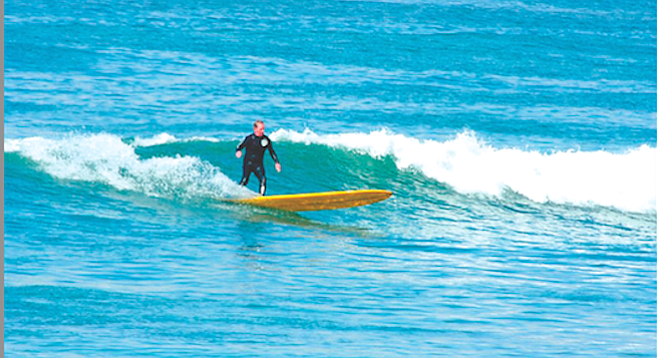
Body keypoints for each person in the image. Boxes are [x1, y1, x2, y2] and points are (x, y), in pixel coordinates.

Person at [235, 120, 282, 196]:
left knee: (263, 180)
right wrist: (238, 151)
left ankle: (261, 197)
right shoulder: (250, 138)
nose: (263, 131)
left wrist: (276, 162)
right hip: (248, 163)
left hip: (258, 164)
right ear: (255, 129)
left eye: (263, 129)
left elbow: (271, 152)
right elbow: (239, 146)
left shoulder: (266, 140)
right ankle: (236, 194)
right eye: (261, 129)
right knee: (245, 180)